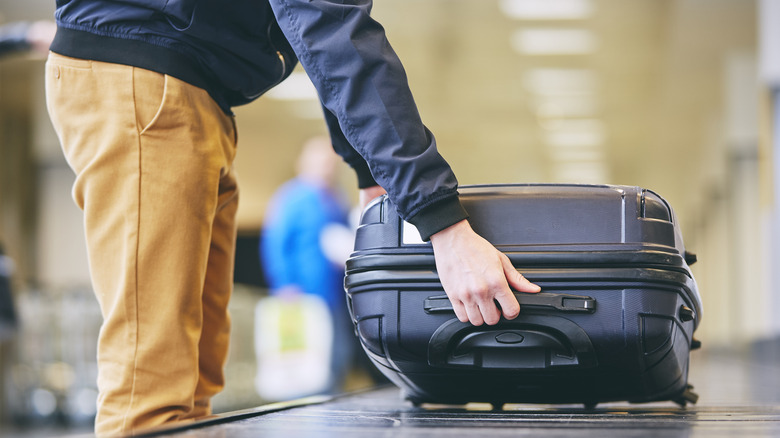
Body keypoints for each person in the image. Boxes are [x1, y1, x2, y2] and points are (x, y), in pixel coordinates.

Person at [44, 0, 541, 435]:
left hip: (191, 89)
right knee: (151, 400)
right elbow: (330, 29)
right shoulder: (299, 202)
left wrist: (368, 170)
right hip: (145, 75)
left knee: (192, 388)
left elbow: (319, 38)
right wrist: (444, 226)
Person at [258, 136, 357, 395]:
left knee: (337, 357)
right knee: (308, 363)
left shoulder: (336, 198)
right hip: (302, 296)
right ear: (304, 162)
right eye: (321, 160)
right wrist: (284, 284)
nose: (328, 167)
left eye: (331, 162)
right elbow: (276, 242)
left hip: (335, 296)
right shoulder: (292, 197)